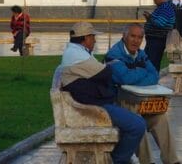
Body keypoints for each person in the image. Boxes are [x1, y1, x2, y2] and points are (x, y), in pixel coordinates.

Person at [58, 22, 146, 164]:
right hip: (92, 108)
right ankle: (118, 160)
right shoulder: (77, 55)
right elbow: (106, 73)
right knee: (138, 125)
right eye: (93, 37)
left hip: (93, 102)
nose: (95, 40)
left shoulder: (76, 52)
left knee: (134, 116)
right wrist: (139, 70)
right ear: (86, 38)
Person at [105, 23, 182, 164]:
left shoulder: (140, 54)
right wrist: (142, 72)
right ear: (124, 36)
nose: (136, 41)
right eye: (132, 36)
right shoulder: (113, 55)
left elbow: (154, 75)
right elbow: (124, 78)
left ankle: (172, 161)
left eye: (140, 37)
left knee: (160, 117)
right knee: (136, 120)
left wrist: (135, 74)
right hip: (117, 104)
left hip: (137, 101)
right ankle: (147, 162)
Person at [143, 0, 176, 70]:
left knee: (152, 64)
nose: (154, 1)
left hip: (157, 40)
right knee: (149, 62)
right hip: (153, 40)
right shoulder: (161, 8)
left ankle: (151, 81)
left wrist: (150, 17)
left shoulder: (166, 8)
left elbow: (160, 23)